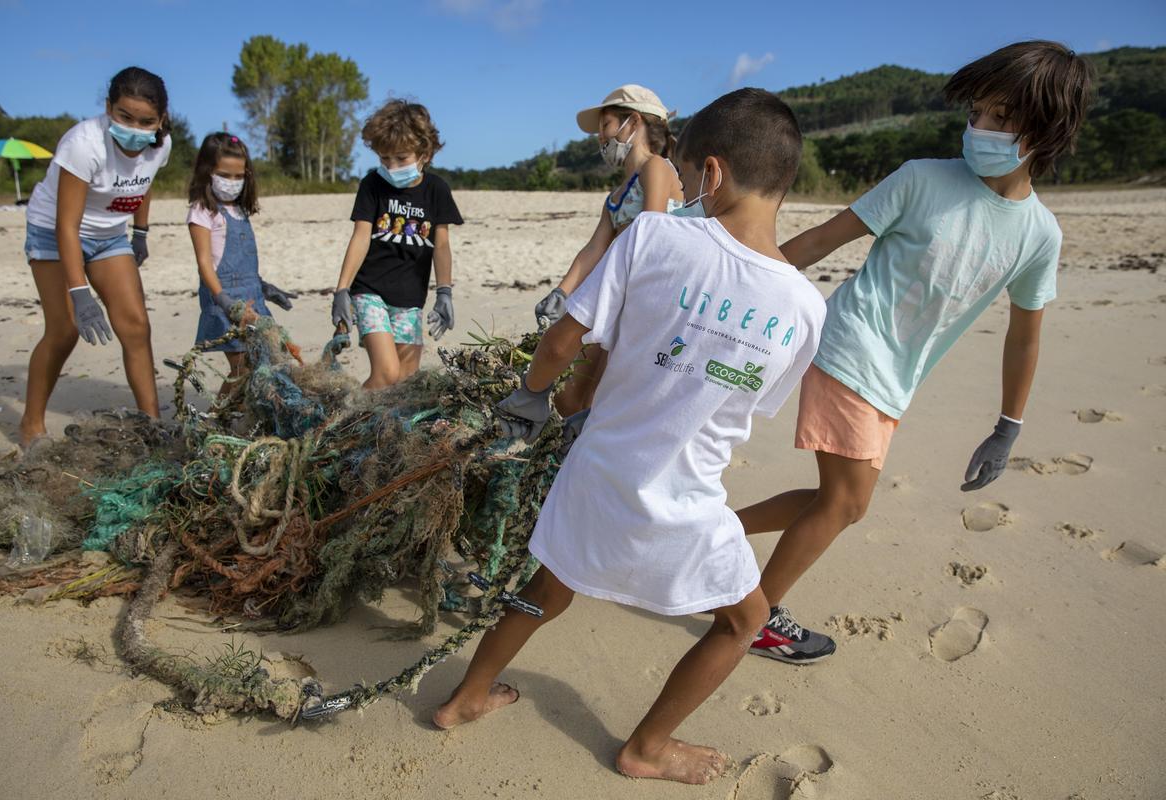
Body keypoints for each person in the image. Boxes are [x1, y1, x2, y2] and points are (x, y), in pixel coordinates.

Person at [434, 89, 826, 786]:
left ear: (709, 173)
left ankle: (466, 696)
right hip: (683, 500)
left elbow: (565, 341)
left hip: (597, 469)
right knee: (744, 621)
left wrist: (531, 397)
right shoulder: (803, 307)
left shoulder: (654, 237)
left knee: (548, 586)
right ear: (785, 180)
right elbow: (741, 403)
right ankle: (647, 745)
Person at [735, 41, 1095, 665]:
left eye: (1000, 119)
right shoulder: (922, 178)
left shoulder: (1040, 234)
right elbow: (822, 239)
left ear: (1047, 129)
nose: (979, 130)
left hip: (897, 376)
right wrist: (735, 277)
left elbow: (1024, 333)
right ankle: (753, 618)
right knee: (845, 503)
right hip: (851, 344)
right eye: (976, 113)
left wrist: (1008, 426)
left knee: (837, 502)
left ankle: (708, 536)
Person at [21, 66, 173, 447]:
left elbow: (143, 182)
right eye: (124, 116)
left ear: (161, 120)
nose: (135, 128)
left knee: (136, 325)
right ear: (108, 108)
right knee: (65, 329)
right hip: (54, 232)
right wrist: (79, 292)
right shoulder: (83, 143)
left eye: (146, 121)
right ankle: (31, 425)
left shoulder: (160, 144)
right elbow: (66, 225)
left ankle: (151, 424)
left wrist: (140, 231)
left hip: (109, 235)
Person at [534, 84, 683, 416]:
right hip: (616, 294)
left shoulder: (656, 168)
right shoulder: (616, 194)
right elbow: (594, 248)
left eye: (605, 126)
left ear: (632, 122)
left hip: (648, 297)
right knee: (571, 395)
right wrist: (562, 291)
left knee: (605, 396)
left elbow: (650, 232)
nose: (599, 137)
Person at [330, 100, 462, 389]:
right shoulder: (372, 185)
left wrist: (444, 293)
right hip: (369, 293)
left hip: (410, 300)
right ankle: (342, 426)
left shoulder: (437, 190)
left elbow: (441, 246)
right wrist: (342, 289)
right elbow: (361, 237)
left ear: (424, 154)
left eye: (401, 158)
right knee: (386, 374)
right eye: (384, 159)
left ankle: (376, 433)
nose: (392, 167)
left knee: (405, 382)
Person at [186, 132, 295, 399]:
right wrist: (223, 300)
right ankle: (216, 420)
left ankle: (242, 417)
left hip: (253, 299)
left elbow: (244, 261)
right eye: (225, 175)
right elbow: (204, 263)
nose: (232, 182)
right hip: (224, 301)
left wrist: (264, 288)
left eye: (238, 176)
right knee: (242, 367)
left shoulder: (241, 211)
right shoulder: (202, 211)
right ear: (207, 171)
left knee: (268, 360)